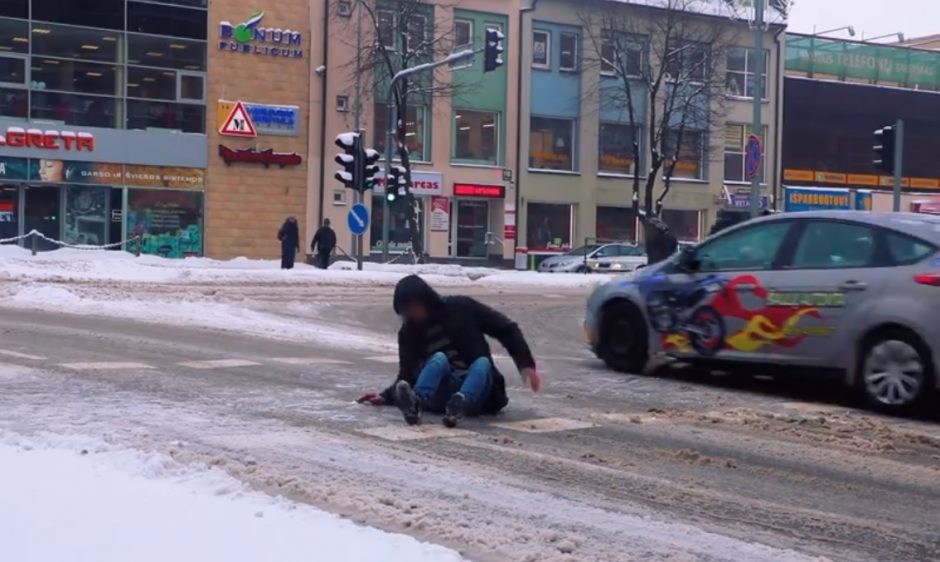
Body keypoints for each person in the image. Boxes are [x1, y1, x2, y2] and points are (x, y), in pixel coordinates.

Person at [358, 275, 542, 428]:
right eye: (406, 310)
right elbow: (407, 374)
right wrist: (384, 396)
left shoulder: (461, 308)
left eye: (413, 306)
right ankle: (416, 403)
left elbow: (506, 329)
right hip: (441, 391)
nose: (411, 313)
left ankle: (461, 403)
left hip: (478, 390)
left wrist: (526, 364)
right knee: (438, 359)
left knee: (482, 363)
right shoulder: (408, 334)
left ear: (425, 299)